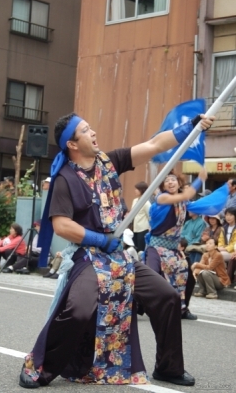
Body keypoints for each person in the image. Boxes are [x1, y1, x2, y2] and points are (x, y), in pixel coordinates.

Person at [19, 112, 215, 389]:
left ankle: (168, 367)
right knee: (78, 310)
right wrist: (99, 240)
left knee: (168, 297)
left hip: (119, 257)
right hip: (87, 256)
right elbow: (62, 225)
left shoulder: (110, 162)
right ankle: (40, 367)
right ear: (72, 144)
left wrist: (189, 128)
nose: (93, 132)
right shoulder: (65, 179)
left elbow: (155, 145)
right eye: (86, 131)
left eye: (90, 127)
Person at [144, 170, 208, 320]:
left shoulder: (183, 203)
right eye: (167, 181)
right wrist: (199, 180)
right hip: (156, 247)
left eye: (173, 180)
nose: (170, 182)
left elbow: (197, 204)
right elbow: (186, 195)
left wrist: (219, 198)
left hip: (174, 248)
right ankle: (140, 305)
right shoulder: (162, 198)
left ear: (179, 183)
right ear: (163, 186)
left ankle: (182, 309)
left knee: (188, 278)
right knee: (150, 275)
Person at [131, 181, 151, 251]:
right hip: (134, 228)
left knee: (141, 249)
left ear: (142, 190)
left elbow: (150, 217)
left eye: (137, 189)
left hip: (143, 229)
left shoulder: (146, 203)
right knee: (134, 248)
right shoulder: (135, 200)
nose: (135, 191)